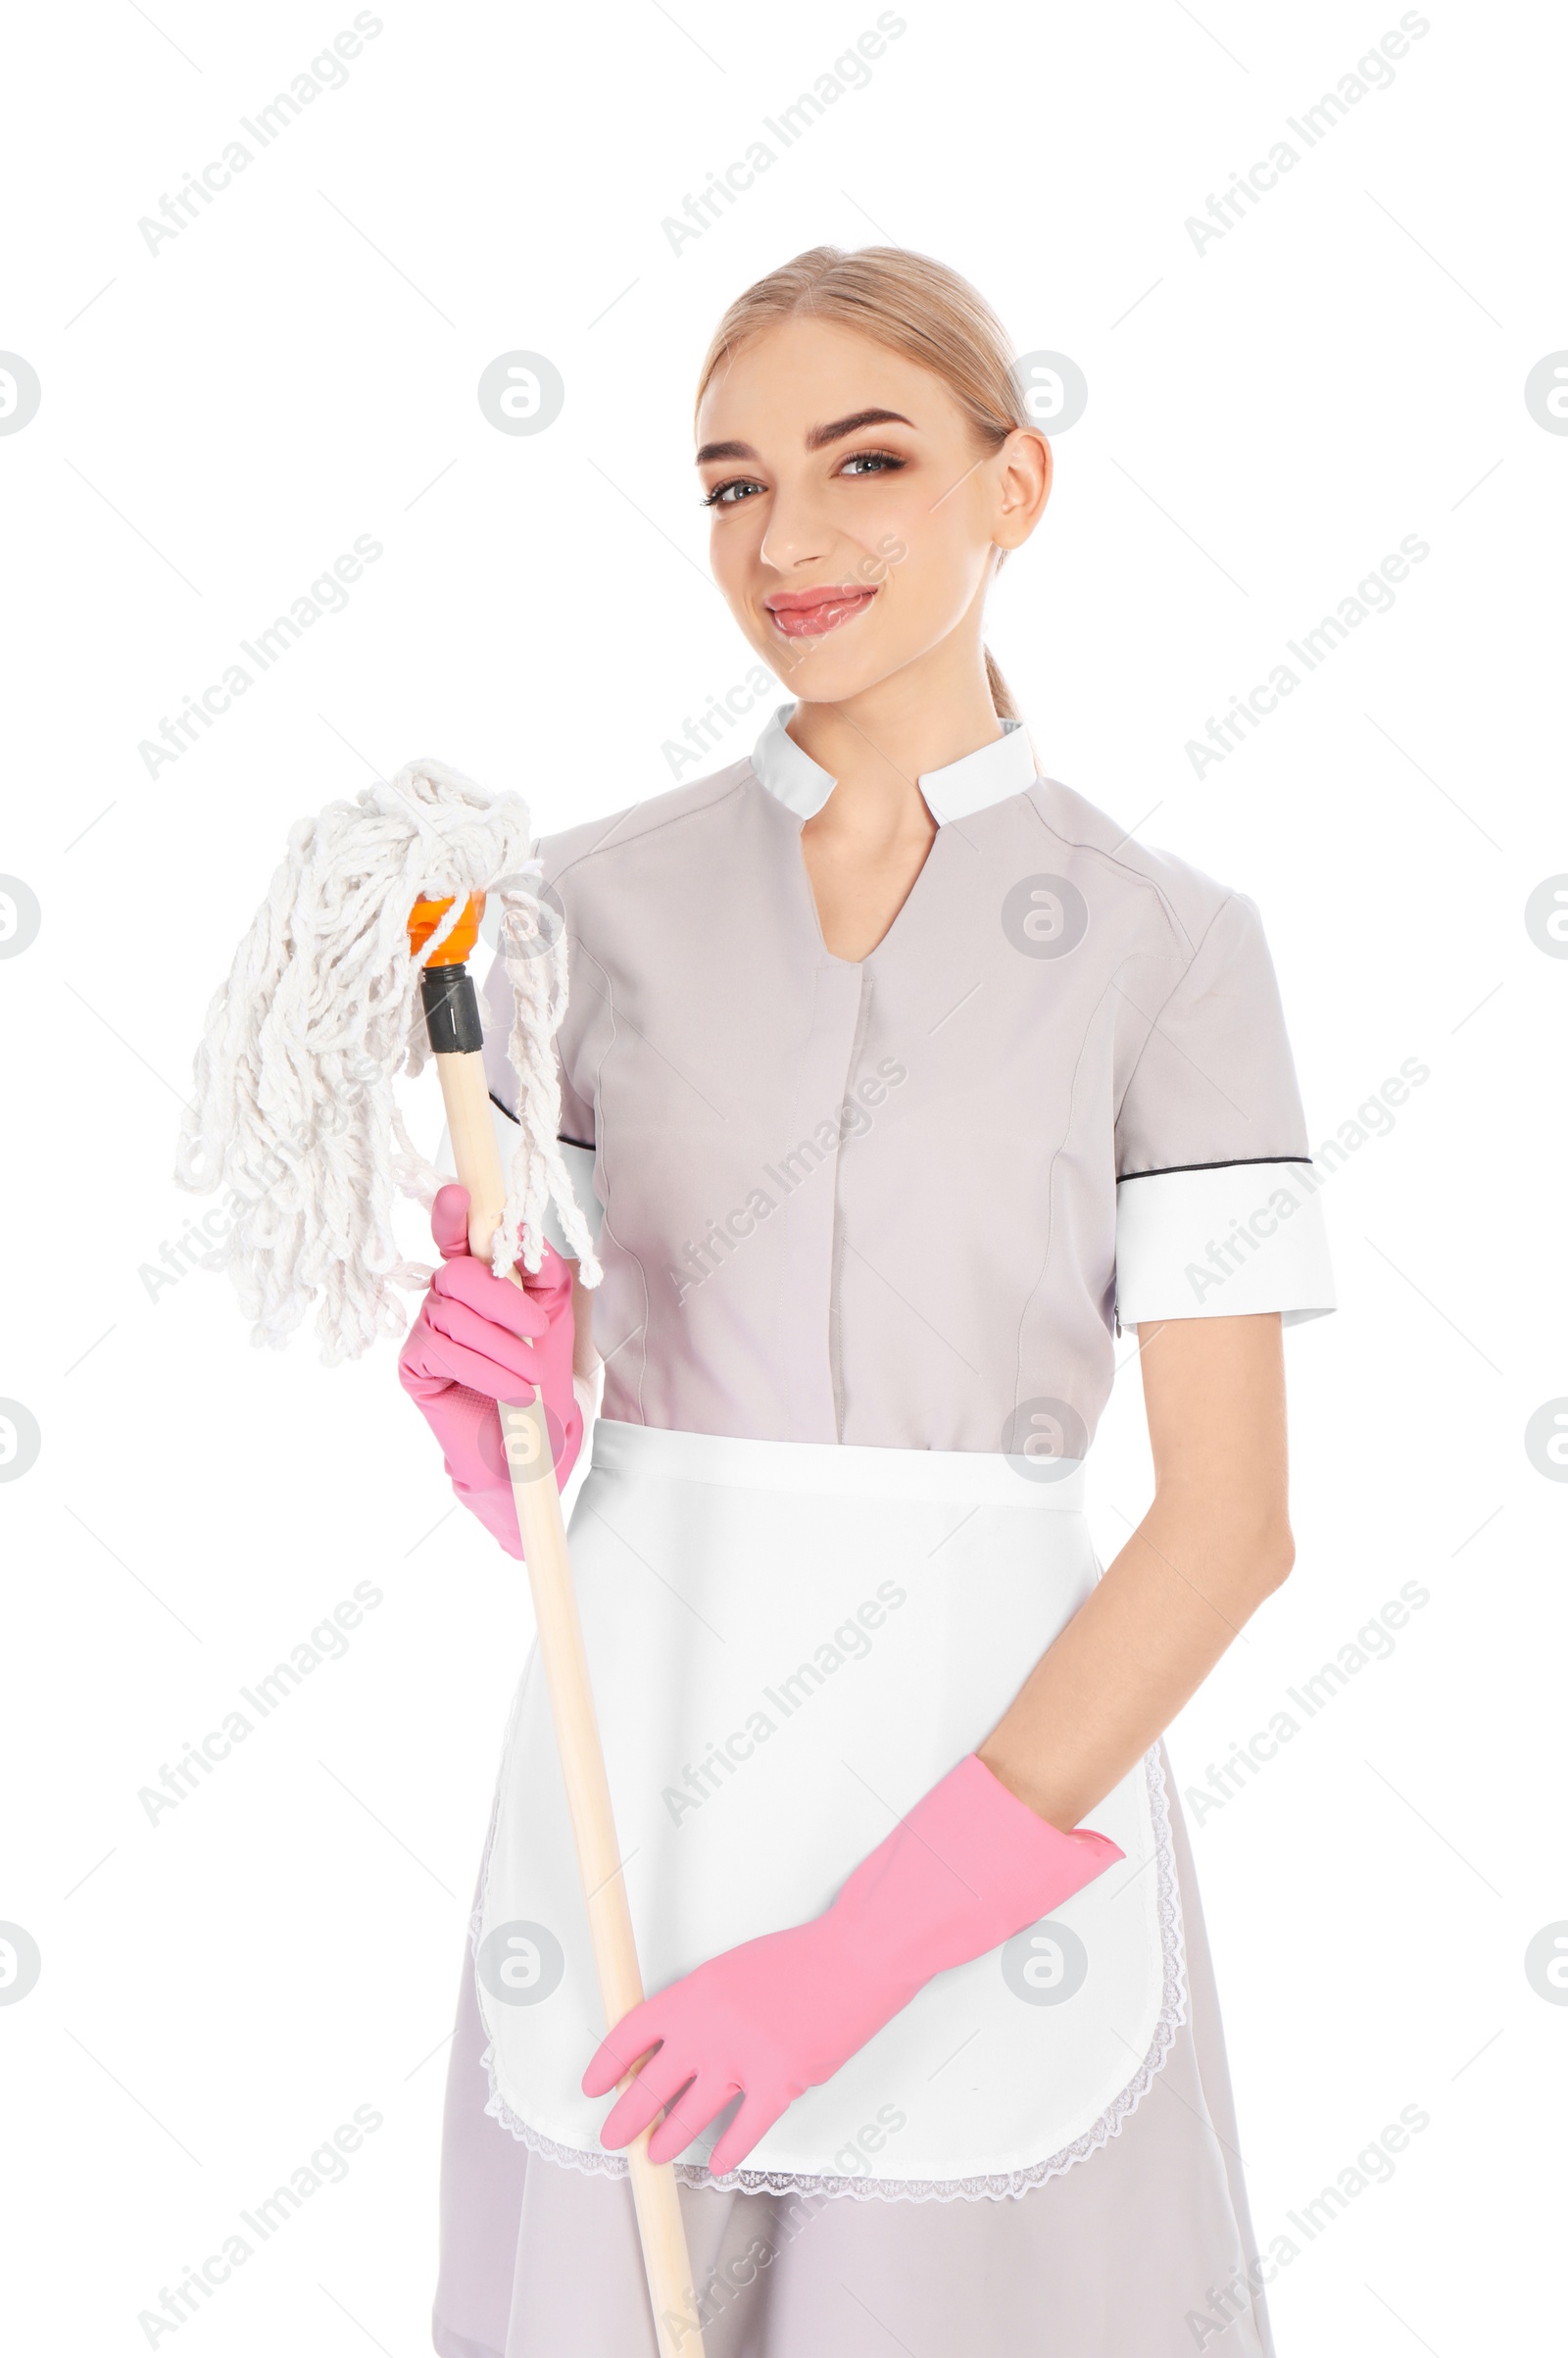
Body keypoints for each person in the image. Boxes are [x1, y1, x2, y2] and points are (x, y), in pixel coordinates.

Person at [399, 245, 1335, 2358]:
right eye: (730, 484)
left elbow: (1231, 1525)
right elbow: (562, 1438)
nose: (786, 540)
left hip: (997, 1799)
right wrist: (495, 1421)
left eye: (867, 460)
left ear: (1016, 487)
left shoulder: (1166, 950)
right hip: (636, 1783)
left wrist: (870, 1948)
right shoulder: (566, 920)